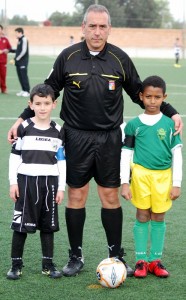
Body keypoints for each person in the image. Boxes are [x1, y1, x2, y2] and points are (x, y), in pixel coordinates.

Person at [7, 4, 183, 278]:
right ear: (83, 27)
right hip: (75, 136)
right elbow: (48, 89)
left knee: (110, 196)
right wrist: (21, 118)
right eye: (92, 26)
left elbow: (140, 92)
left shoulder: (120, 58)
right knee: (76, 195)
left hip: (110, 137)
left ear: (109, 29)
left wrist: (171, 113)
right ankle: (75, 256)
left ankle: (115, 253)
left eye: (103, 27)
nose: (97, 32)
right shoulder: (68, 57)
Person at [120, 75, 182, 278]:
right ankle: (140, 261)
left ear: (164, 97)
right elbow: (126, 154)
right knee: (142, 214)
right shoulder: (133, 125)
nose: (152, 101)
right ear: (141, 96)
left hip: (163, 177)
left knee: (158, 216)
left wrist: (177, 183)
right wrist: (124, 182)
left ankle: (155, 260)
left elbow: (177, 155)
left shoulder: (170, 124)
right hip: (140, 176)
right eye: (148, 97)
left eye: (157, 97)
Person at [7, 83, 66, 280]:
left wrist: (60, 187)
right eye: (38, 103)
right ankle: (16, 265)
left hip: (49, 184)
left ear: (54, 104)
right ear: (30, 104)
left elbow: (61, 161)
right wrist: (13, 182)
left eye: (46, 103)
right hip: (26, 183)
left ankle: (47, 264)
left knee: (48, 226)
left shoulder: (58, 130)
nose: (42, 107)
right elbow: (15, 157)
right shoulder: (23, 128)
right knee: (20, 225)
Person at [9, 27, 30, 97]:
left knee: (24, 76)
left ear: (20, 33)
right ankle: (23, 90)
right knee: (20, 76)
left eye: (16, 33)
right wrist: (10, 50)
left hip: (23, 62)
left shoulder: (24, 39)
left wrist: (16, 58)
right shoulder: (19, 40)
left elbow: (23, 51)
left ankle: (27, 91)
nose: (15, 35)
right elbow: (18, 50)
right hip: (18, 62)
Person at [0, 24, 12, 94]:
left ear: (1, 30)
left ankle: (3, 89)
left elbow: (9, 48)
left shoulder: (5, 39)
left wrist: (7, 50)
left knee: (3, 76)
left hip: (3, 61)